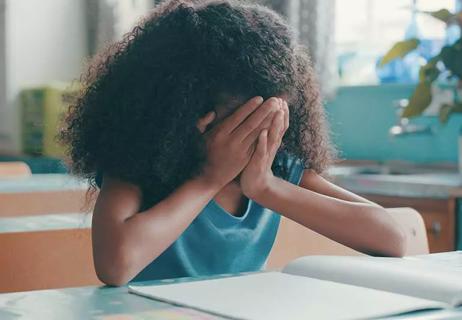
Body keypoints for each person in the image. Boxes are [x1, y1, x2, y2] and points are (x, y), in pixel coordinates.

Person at [60, 0, 406, 286]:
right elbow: (115, 266)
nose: (260, 139)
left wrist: (266, 187)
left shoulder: (275, 165)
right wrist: (208, 178)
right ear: (190, 114)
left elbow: (392, 237)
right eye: (245, 123)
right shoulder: (139, 162)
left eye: (273, 121)